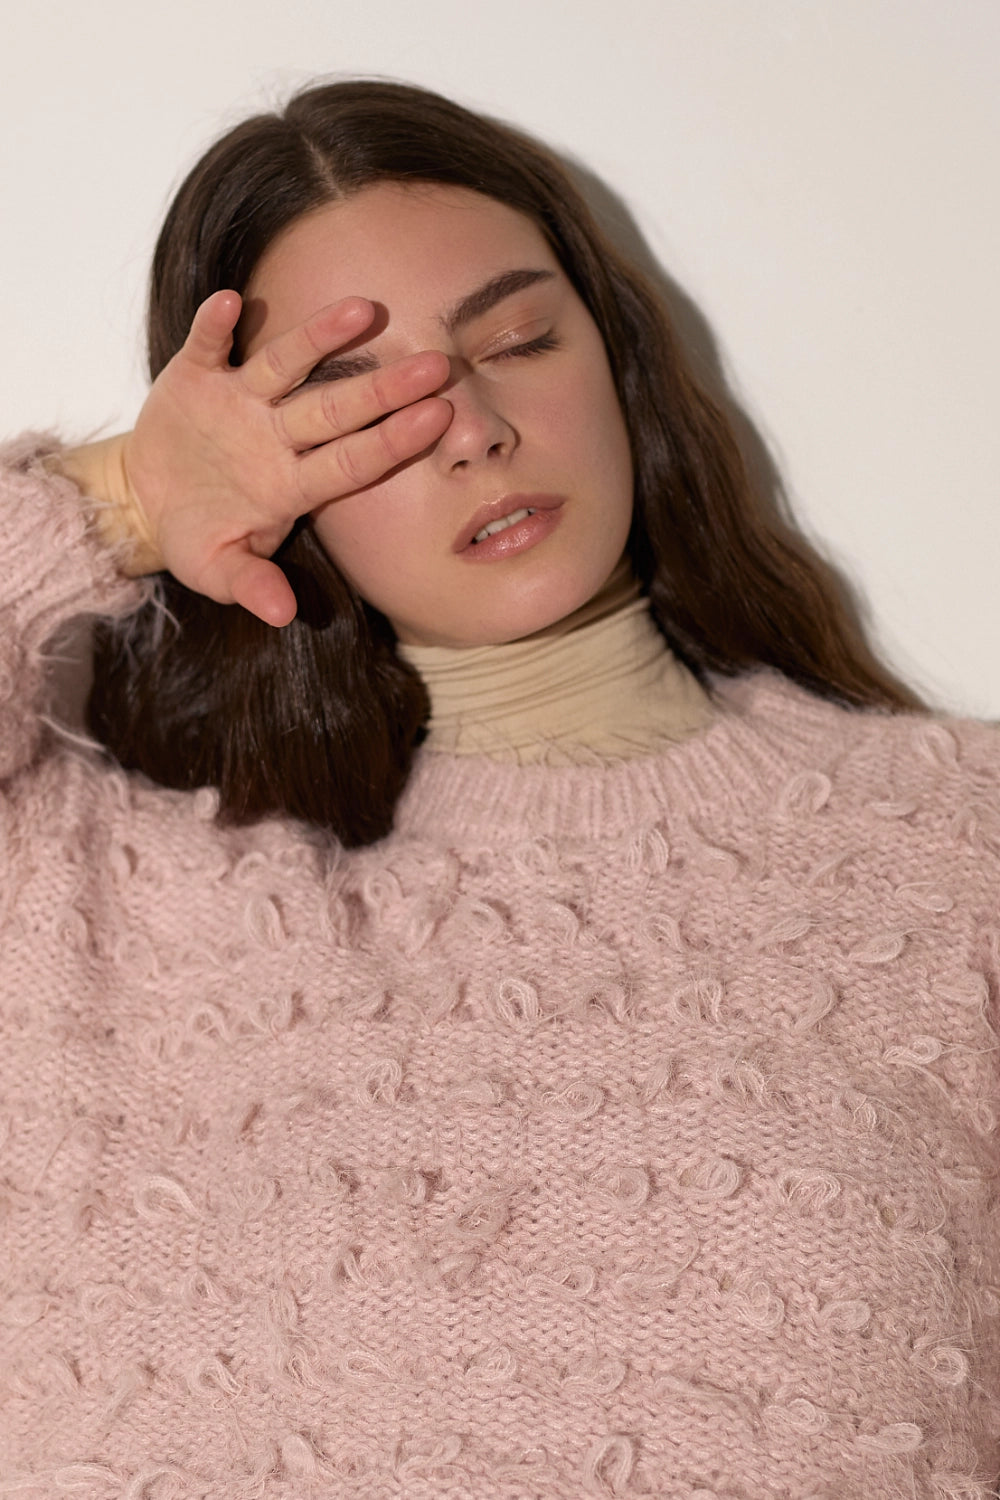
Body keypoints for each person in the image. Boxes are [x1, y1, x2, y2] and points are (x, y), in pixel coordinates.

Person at [1, 78, 998, 1500]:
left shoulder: (957, 856)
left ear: (619, 365)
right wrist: (124, 502)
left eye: (518, 342)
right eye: (358, 402)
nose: (470, 427)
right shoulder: (83, 899)